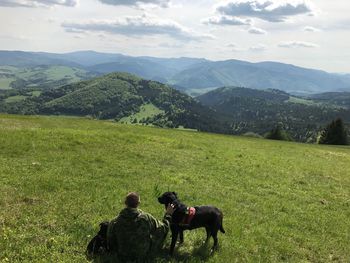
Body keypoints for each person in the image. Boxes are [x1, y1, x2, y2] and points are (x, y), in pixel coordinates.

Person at [106, 192, 174, 262]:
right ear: (138, 203)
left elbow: (110, 241)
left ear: (125, 203)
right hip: (142, 256)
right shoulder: (146, 218)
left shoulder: (115, 221)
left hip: (121, 257)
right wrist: (168, 214)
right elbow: (164, 229)